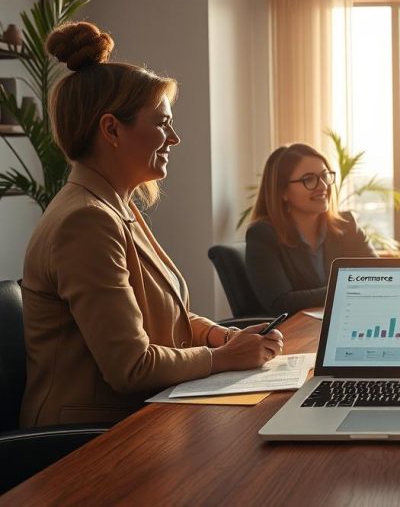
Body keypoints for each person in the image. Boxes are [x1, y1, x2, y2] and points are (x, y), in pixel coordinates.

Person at [20, 22, 283, 427]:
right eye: (162, 123)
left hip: (138, 418)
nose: (174, 138)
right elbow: (131, 366)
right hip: (86, 442)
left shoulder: (115, 205)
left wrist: (220, 336)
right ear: (111, 129)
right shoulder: (86, 221)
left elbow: (159, 320)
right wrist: (222, 358)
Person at [245, 143, 377, 316]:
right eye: (309, 179)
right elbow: (280, 303)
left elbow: (379, 275)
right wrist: (347, 287)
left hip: (344, 322)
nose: (323, 186)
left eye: (324, 176)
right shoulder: (263, 235)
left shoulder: (346, 224)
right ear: (282, 192)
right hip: (295, 335)